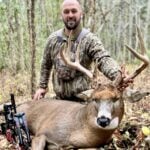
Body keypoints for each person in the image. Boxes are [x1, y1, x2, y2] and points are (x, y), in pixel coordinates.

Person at [33, 0, 129, 101]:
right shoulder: (53, 39)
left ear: (81, 13)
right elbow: (46, 65)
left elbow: (103, 59)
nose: (70, 15)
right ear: (61, 15)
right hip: (59, 101)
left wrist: (117, 75)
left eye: (74, 11)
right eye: (66, 12)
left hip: (84, 101)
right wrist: (42, 87)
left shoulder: (90, 39)